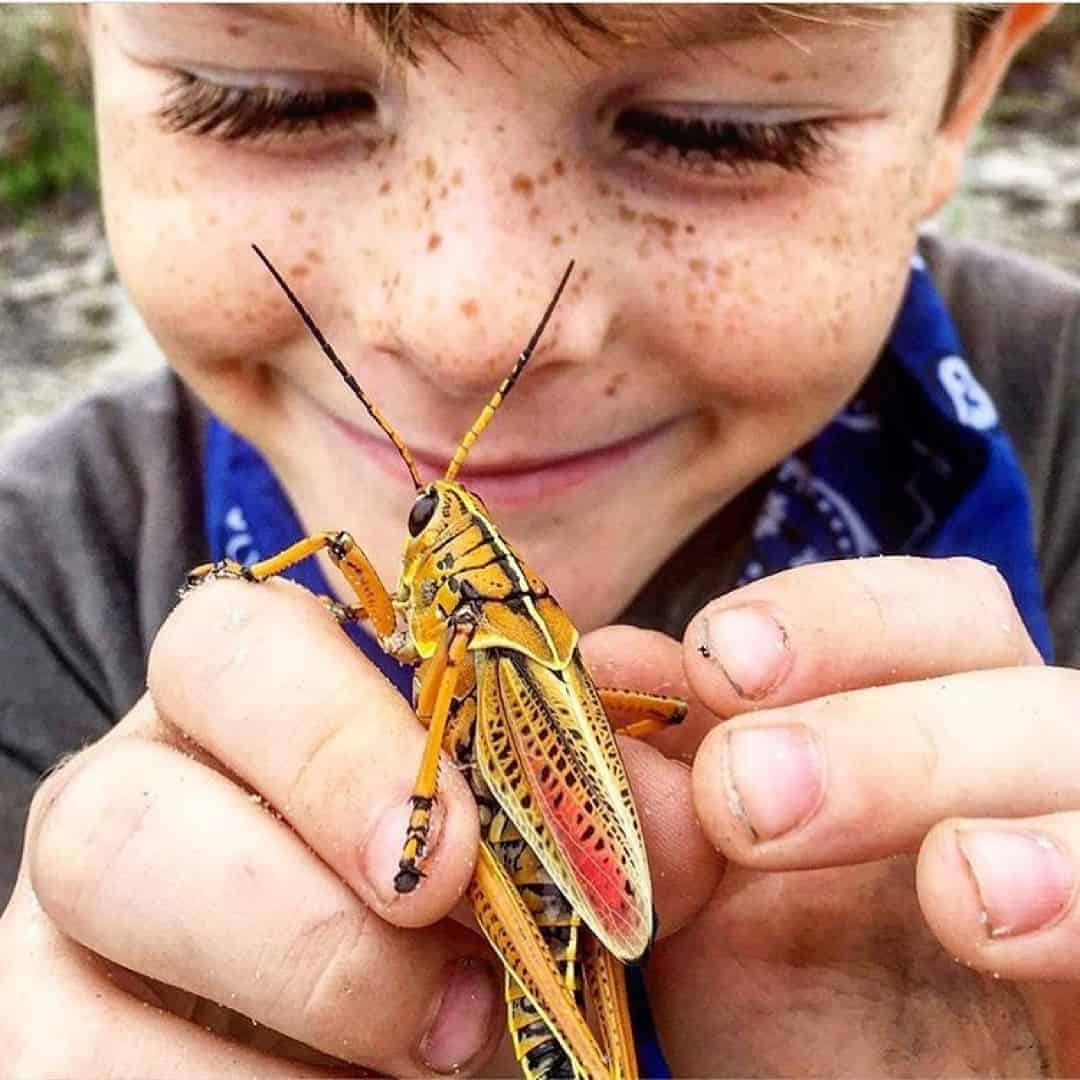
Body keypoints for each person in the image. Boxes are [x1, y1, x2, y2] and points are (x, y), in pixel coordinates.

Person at [2, 3, 1079, 1075]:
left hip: (551, 839)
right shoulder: (41, 590)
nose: (462, 326)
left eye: (719, 127)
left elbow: (439, 699)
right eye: (264, 100)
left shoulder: (1056, 422)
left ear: (966, 94)